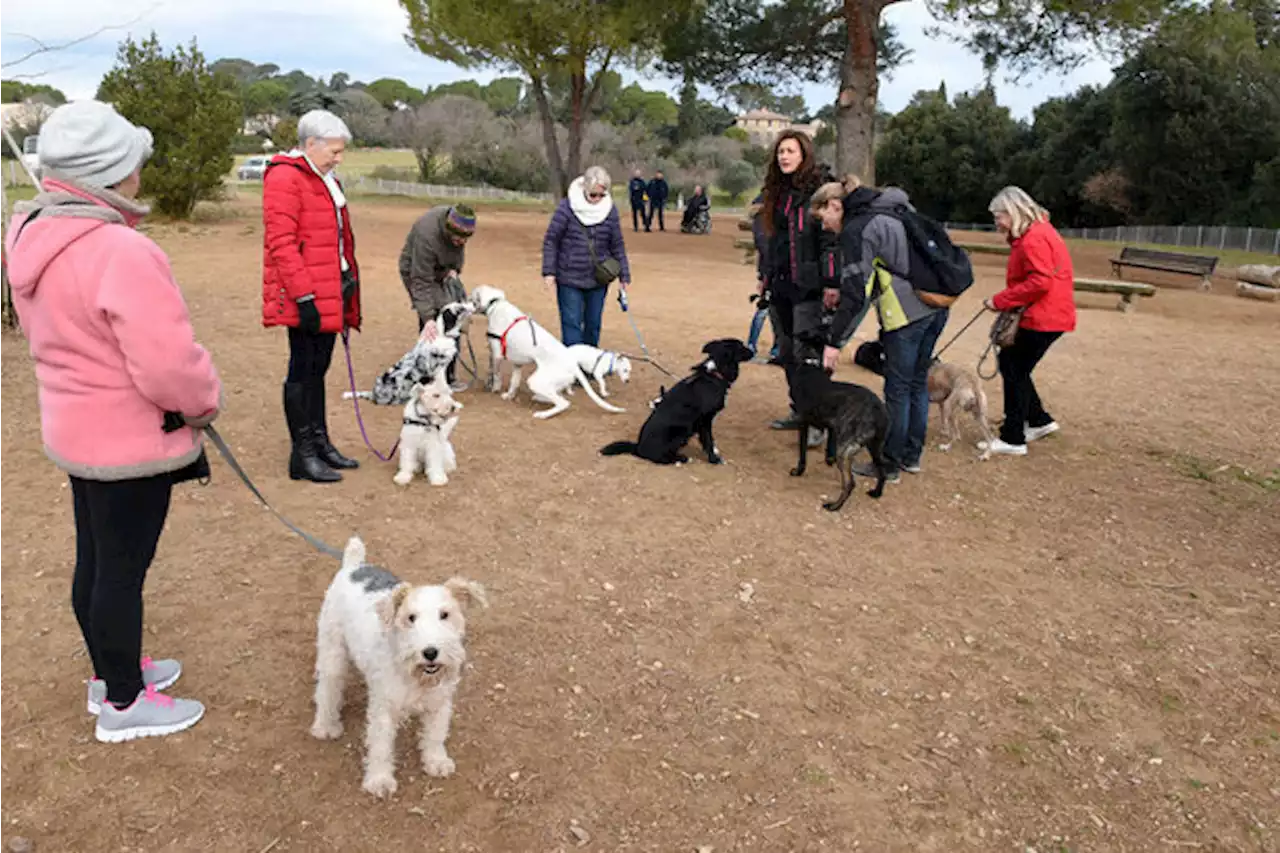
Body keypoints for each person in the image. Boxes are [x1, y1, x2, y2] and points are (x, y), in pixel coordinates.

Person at [4, 100, 221, 741]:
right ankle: (125, 702)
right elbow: (168, 365)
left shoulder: (30, 234)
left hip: (75, 432)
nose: (140, 178)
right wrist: (205, 402)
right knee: (121, 572)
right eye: (133, 165)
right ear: (109, 173)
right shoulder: (121, 249)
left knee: (97, 563)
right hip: (130, 442)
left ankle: (112, 673)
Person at [262, 109, 362, 484]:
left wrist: (347, 278)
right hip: (307, 293)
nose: (339, 158)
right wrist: (304, 297)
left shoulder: (324, 178)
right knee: (302, 371)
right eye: (334, 151)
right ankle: (301, 454)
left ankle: (320, 443)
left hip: (331, 286)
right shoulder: (286, 178)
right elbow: (281, 243)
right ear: (310, 144)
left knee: (319, 369)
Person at [833, 181, 949, 483]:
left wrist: (836, 340)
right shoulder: (900, 211)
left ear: (836, 207)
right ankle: (911, 456)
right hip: (936, 305)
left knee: (897, 388)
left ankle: (889, 462)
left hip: (905, 314)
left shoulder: (860, 227)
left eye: (823, 217)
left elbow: (858, 290)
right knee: (916, 384)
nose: (825, 226)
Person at [983, 185, 1077, 456]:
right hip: (1050, 314)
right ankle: (1037, 420)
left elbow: (1040, 281)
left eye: (999, 216)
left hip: (1043, 316)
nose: (997, 223)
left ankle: (1013, 437)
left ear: (1013, 212)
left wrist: (1000, 300)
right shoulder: (1038, 232)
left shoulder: (1033, 238)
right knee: (1015, 366)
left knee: (1013, 368)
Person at [758, 129, 834, 432]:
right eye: (780, 152)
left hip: (809, 288)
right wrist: (764, 276)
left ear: (804, 154)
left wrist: (832, 282)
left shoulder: (819, 191)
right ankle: (799, 409)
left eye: (790, 151)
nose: (784, 156)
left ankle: (818, 419)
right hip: (780, 284)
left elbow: (829, 240)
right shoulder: (776, 194)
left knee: (808, 354)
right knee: (787, 352)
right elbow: (771, 240)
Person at [542, 166, 632, 347]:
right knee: (571, 324)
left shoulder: (610, 211)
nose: (597, 199)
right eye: (593, 195)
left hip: (598, 278)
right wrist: (549, 272)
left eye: (601, 195)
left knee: (593, 325)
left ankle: (590, 364)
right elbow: (551, 240)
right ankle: (572, 367)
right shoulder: (567, 208)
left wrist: (624, 274)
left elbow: (617, 243)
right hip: (569, 277)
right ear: (584, 190)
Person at [398, 203, 476, 392]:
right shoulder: (428, 236)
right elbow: (421, 280)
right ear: (449, 231)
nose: (461, 243)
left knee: (452, 317)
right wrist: (427, 318)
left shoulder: (459, 228)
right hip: (416, 271)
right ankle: (428, 376)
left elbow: (457, 251)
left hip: (443, 270)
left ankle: (448, 376)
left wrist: (455, 270)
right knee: (433, 320)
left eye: (465, 239)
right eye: (458, 239)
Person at [744, 192, 780, 363]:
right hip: (770, 270)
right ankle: (751, 345)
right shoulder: (762, 221)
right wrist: (764, 275)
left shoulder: (773, 219)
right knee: (765, 310)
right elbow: (764, 247)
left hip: (776, 269)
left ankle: (777, 348)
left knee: (777, 312)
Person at [627, 168, 649, 233]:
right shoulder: (632, 182)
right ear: (634, 174)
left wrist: (645, 200)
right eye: (636, 173)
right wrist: (631, 199)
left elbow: (645, 191)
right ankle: (636, 227)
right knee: (634, 214)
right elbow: (631, 190)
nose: (637, 174)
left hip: (641, 200)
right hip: (634, 200)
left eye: (638, 173)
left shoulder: (642, 182)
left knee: (643, 214)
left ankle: (646, 226)